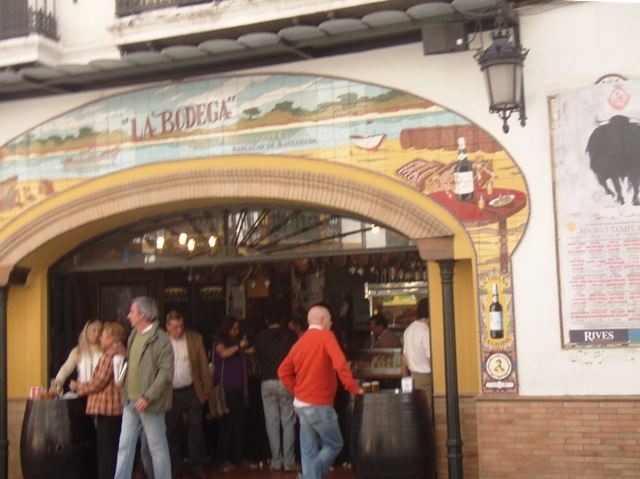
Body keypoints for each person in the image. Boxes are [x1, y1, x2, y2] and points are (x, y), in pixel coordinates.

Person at [277, 303, 362, 479]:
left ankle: (309, 476)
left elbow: (282, 371)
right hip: (319, 404)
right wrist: (354, 389)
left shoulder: (300, 341)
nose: (332, 322)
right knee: (334, 444)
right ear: (322, 320)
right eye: (330, 319)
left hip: (301, 404)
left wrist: (297, 390)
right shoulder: (326, 336)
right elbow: (341, 364)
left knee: (308, 449)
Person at [114, 296, 174, 479]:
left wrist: (148, 397)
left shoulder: (161, 339)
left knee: (157, 448)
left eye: (132, 312)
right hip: (130, 400)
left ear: (142, 315)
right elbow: (130, 363)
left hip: (150, 403)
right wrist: (121, 379)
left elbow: (166, 373)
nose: (128, 315)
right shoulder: (133, 335)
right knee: (125, 446)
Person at [71, 321, 127, 479]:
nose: (100, 338)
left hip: (107, 409)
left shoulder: (109, 354)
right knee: (112, 449)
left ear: (111, 338)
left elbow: (99, 381)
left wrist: (79, 387)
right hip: (115, 409)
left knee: (106, 453)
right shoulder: (119, 352)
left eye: (103, 335)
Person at [165, 311, 212, 479]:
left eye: (182, 326)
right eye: (175, 327)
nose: (179, 330)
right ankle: (175, 467)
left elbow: (203, 364)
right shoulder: (161, 342)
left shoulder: (194, 339)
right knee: (173, 430)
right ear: (167, 327)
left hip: (192, 390)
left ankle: (197, 465)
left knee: (196, 428)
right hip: (171, 393)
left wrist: (206, 388)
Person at [254, 310, 299, 472]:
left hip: (267, 381)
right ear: (282, 319)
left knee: (271, 421)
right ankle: (289, 461)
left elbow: (257, 356)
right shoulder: (291, 335)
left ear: (267, 320)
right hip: (286, 380)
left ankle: (276, 461)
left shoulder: (260, 336)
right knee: (288, 421)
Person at [212, 316, 250, 472]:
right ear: (226, 329)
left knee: (238, 424)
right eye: (234, 329)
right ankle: (222, 459)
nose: (237, 331)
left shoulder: (234, 342)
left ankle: (237, 457)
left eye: (238, 329)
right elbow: (222, 353)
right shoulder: (219, 341)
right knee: (226, 425)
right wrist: (238, 347)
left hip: (238, 389)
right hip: (225, 389)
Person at [50, 318, 103, 394]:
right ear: (86, 332)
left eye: (100, 331)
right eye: (94, 330)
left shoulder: (104, 350)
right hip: (81, 391)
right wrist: (57, 382)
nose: (97, 334)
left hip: (99, 392)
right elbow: (66, 368)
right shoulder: (78, 351)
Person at [402, 297, 433, 410]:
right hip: (426, 379)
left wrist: (405, 381)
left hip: (413, 377)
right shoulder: (426, 331)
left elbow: (404, 359)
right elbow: (431, 361)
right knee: (427, 412)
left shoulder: (409, 329)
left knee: (418, 412)